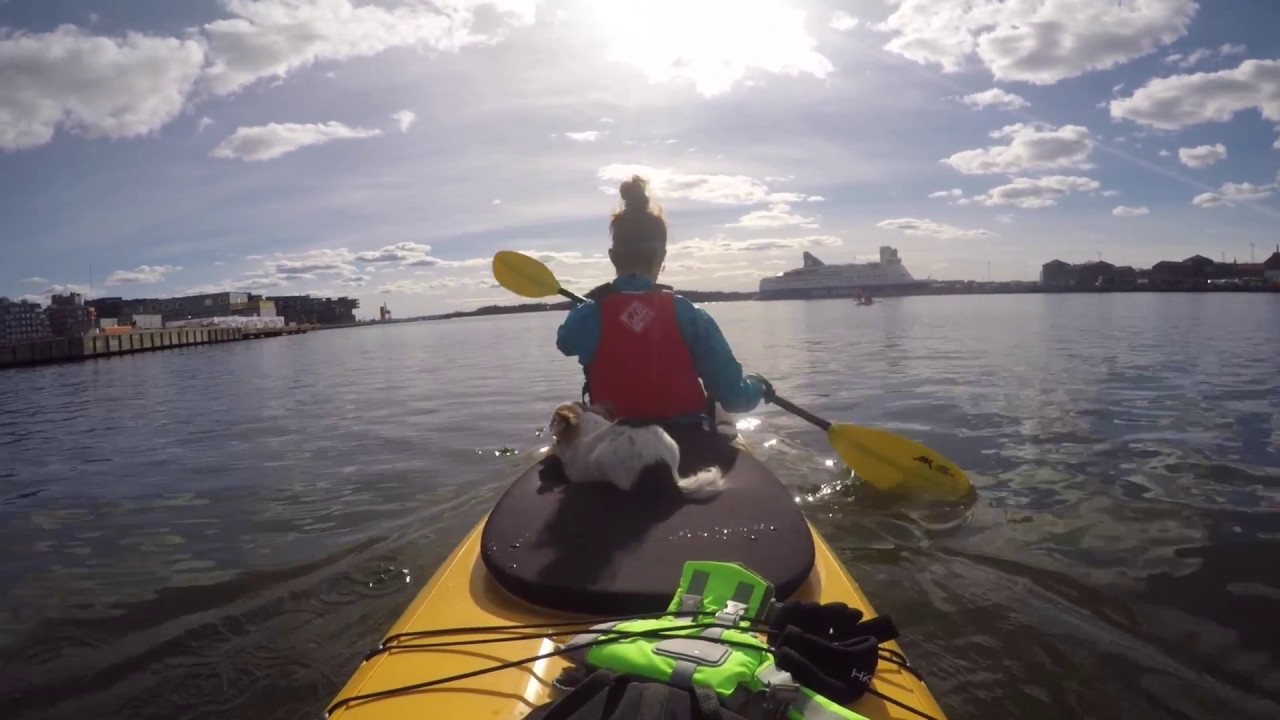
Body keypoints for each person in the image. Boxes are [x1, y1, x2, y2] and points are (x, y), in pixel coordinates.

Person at [556, 175, 770, 425]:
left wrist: (588, 305)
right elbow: (734, 399)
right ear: (663, 256)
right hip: (686, 442)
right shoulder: (689, 315)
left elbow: (565, 343)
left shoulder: (588, 315)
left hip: (613, 442)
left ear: (612, 256)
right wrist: (758, 386)